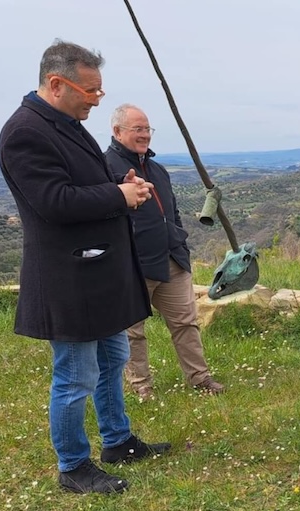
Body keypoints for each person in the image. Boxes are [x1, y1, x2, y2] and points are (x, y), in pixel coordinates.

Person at [0, 40, 170, 495]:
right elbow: (54, 202)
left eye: (100, 90)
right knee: (75, 376)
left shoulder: (66, 124)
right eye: (90, 91)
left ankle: (117, 440)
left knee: (113, 359)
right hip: (68, 277)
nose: (97, 99)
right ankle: (73, 465)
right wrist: (119, 197)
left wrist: (118, 181)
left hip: (100, 273)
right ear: (57, 83)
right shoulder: (25, 132)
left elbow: (81, 182)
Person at [104, 104, 225, 399]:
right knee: (133, 331)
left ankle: (200, 378)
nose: (145, 135)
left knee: (186, 323)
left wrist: (178, 241)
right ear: (117, 132)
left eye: (147, 129)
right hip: (132, 264)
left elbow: (171, 210)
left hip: (171, 258)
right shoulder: (105, 168)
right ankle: (141, 385)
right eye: (138, 129)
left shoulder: (157, 170)